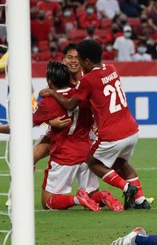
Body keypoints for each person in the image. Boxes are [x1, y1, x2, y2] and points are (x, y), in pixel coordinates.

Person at [0, 61, 124, 212]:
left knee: (47, 202)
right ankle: (104, 196)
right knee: (92, 193)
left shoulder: (49, 102)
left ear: (50, 81)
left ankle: (77, 199)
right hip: (87, 153)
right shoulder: (80, 95)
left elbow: (23, 125)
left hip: (64, 156)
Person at [39, 39, 151, 209]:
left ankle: (127, 187)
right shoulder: (112, 69)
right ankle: (141, 200)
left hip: (111, 134)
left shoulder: (87, 80)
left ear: (87, 61)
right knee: (120, 163)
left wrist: (53, 93)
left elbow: (70, 104)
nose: (78, 63)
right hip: (132, 130)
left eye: (80, 59)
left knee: (92, 162)